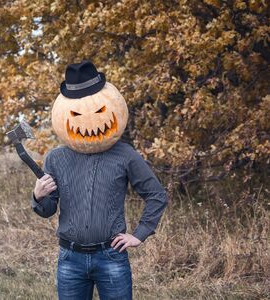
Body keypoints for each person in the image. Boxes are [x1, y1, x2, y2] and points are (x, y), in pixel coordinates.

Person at [31, 61, 168, 300]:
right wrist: (39, 196)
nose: (89, 121)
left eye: (99, 112)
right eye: (76, 115)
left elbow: (156, 195)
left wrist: (139, 234)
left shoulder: (125, 155)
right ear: (65, 114)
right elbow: (48, 209)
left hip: (111, 256)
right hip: (69, 258)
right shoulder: (55, 158)